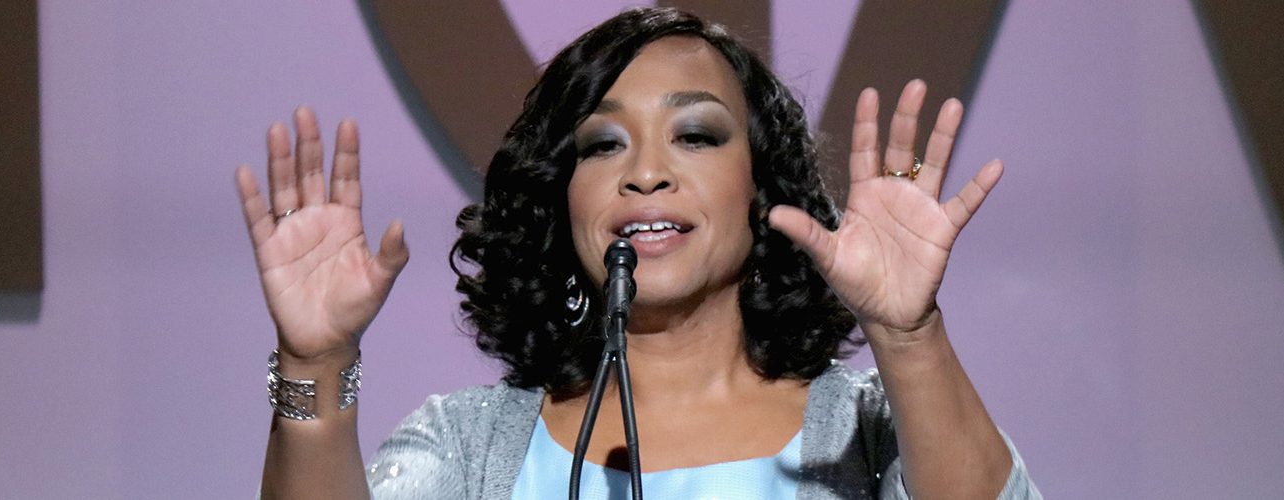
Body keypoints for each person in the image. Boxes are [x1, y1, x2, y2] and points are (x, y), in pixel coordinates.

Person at [237, 7, 1040, 500]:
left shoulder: (864, 432)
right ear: (564, 200)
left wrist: (908, 334)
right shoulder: (468, 447)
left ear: (761, 192)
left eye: (695, 135)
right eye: (602, 145)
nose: (646, 172)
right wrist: (315, 360)